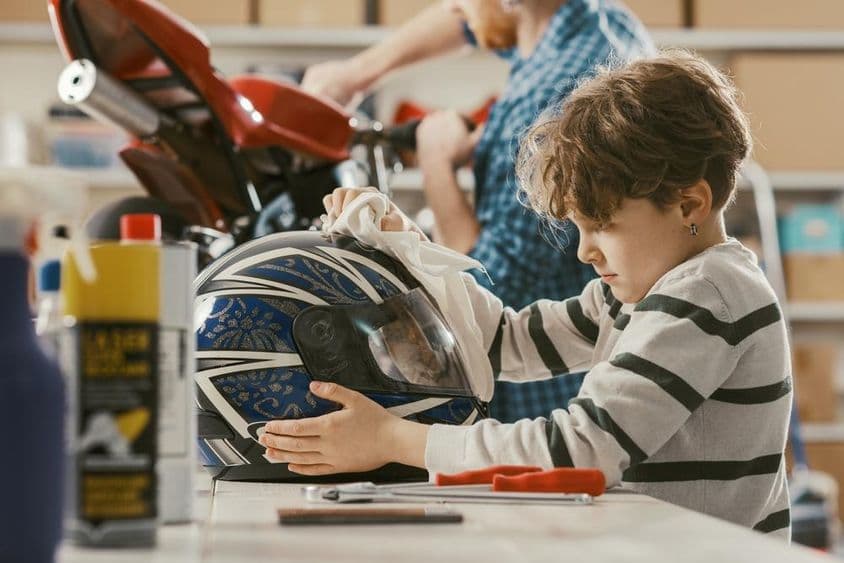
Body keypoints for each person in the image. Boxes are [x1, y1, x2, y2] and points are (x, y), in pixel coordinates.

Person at [261, 51, 793, 537]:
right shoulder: (641, 291)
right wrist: (408, 247)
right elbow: (503, 343)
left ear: (688, 205)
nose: (585, 252)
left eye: (603, 226)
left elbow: (580, 451)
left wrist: (394, 440)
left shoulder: (706, 295)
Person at [302, 0, 655, 422]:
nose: (454, 8)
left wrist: (437, 163)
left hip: (537, 404)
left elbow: (490, 290)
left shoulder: (550, 99)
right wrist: (355, 75)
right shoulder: (599, 26)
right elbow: (473, 24)